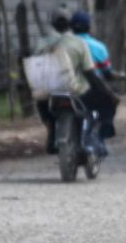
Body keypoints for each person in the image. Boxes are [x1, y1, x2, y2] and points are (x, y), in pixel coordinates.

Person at [32, 14, 99, 154]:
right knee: (90, 108)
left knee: (41, 101)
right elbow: (89, 71)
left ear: (52, 24)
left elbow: (36, 67)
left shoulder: (42, 43)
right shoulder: (79, 43)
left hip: (48, 90)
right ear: (70, 25)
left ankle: (51, 129)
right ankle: (86, 139)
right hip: (74, 89)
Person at [68, 9, 120, 148]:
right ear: (89, 27)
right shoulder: (98, 47)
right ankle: (103, 131)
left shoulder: (64, 46)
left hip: (65, 90)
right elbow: (106, 73)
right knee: (110, 100)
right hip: (89, 92)